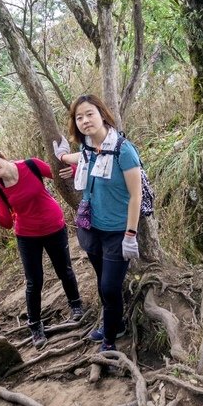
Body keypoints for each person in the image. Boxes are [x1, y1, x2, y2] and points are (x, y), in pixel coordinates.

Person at [0, 147, 84, 349]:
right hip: (27, 235)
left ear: (1, 156)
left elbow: (60, 177)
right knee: (34, 282)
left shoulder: (31, 165)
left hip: (54, 226)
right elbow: (6, 221)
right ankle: (35, 326)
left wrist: (73, 170)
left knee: (64, 270)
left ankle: (76, 306)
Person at [53, 94, 141, 353]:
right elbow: (80, 159)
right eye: (78, 117)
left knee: (109, 287)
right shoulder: (89, 147)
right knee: (102, 280)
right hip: (92, 228)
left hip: (118, 232)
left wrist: (131, 234)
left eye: (89, 114)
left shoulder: (123, 149)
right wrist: (62, 157)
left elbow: (135, 195)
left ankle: (110, 341)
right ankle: (115, 324)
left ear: (102, 114)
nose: (84, 120)